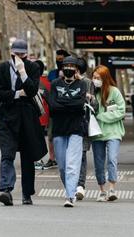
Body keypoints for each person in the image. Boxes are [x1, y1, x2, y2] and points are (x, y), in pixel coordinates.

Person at [0, 39, 47, 206]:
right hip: (7, 117)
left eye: (22, 54)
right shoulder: (1, 69)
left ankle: (26, 193)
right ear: (11, 52)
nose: (19, 57)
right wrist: (17, 93)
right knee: (7, 154)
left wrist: (23, 72)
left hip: (27, 118)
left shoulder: (33, 68)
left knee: (27, 157)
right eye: (17, 54)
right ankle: (6, 190)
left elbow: (31, 91)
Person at [50, 56, 87, 207]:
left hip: (76, 129)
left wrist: (62, 104)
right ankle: (70, 189)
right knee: (62, 166)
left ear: (76, 69)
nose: (69, 68)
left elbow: (79, 105)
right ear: (62, 68)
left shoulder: (82, 84)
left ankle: (70, 196)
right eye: (67, 65)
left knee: (72, 164)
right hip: (58, 129)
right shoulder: (54, 84)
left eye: (72, 66)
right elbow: (53, 106)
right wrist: (70, 105)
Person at [91, 65, 125, 202]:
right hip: (97, 133)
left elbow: (121, 111)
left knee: (111, 159)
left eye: (98, 78)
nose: (95, 80)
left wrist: (102, 116)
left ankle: (112, 188)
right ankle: (102, 190)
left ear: (105, 78)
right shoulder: (93, 93)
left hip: (113, 132)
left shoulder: (114, 92)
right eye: (93, 78)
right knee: (98, 163)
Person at [75, 57, 98, 201]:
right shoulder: (64, 81)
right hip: (68, 124)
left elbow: (94, 104)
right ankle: (73, 184)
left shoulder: (87, 82)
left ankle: (80, 185)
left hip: (83, 123)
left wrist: (88, 96)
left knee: (82, 155)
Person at [33, 60, 54, 171]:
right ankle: (46, 158)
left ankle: (37, 159)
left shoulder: (34, 81)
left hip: (37, 116)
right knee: (44, 138)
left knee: (36, 138)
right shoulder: (48, 82)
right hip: (47, 115)